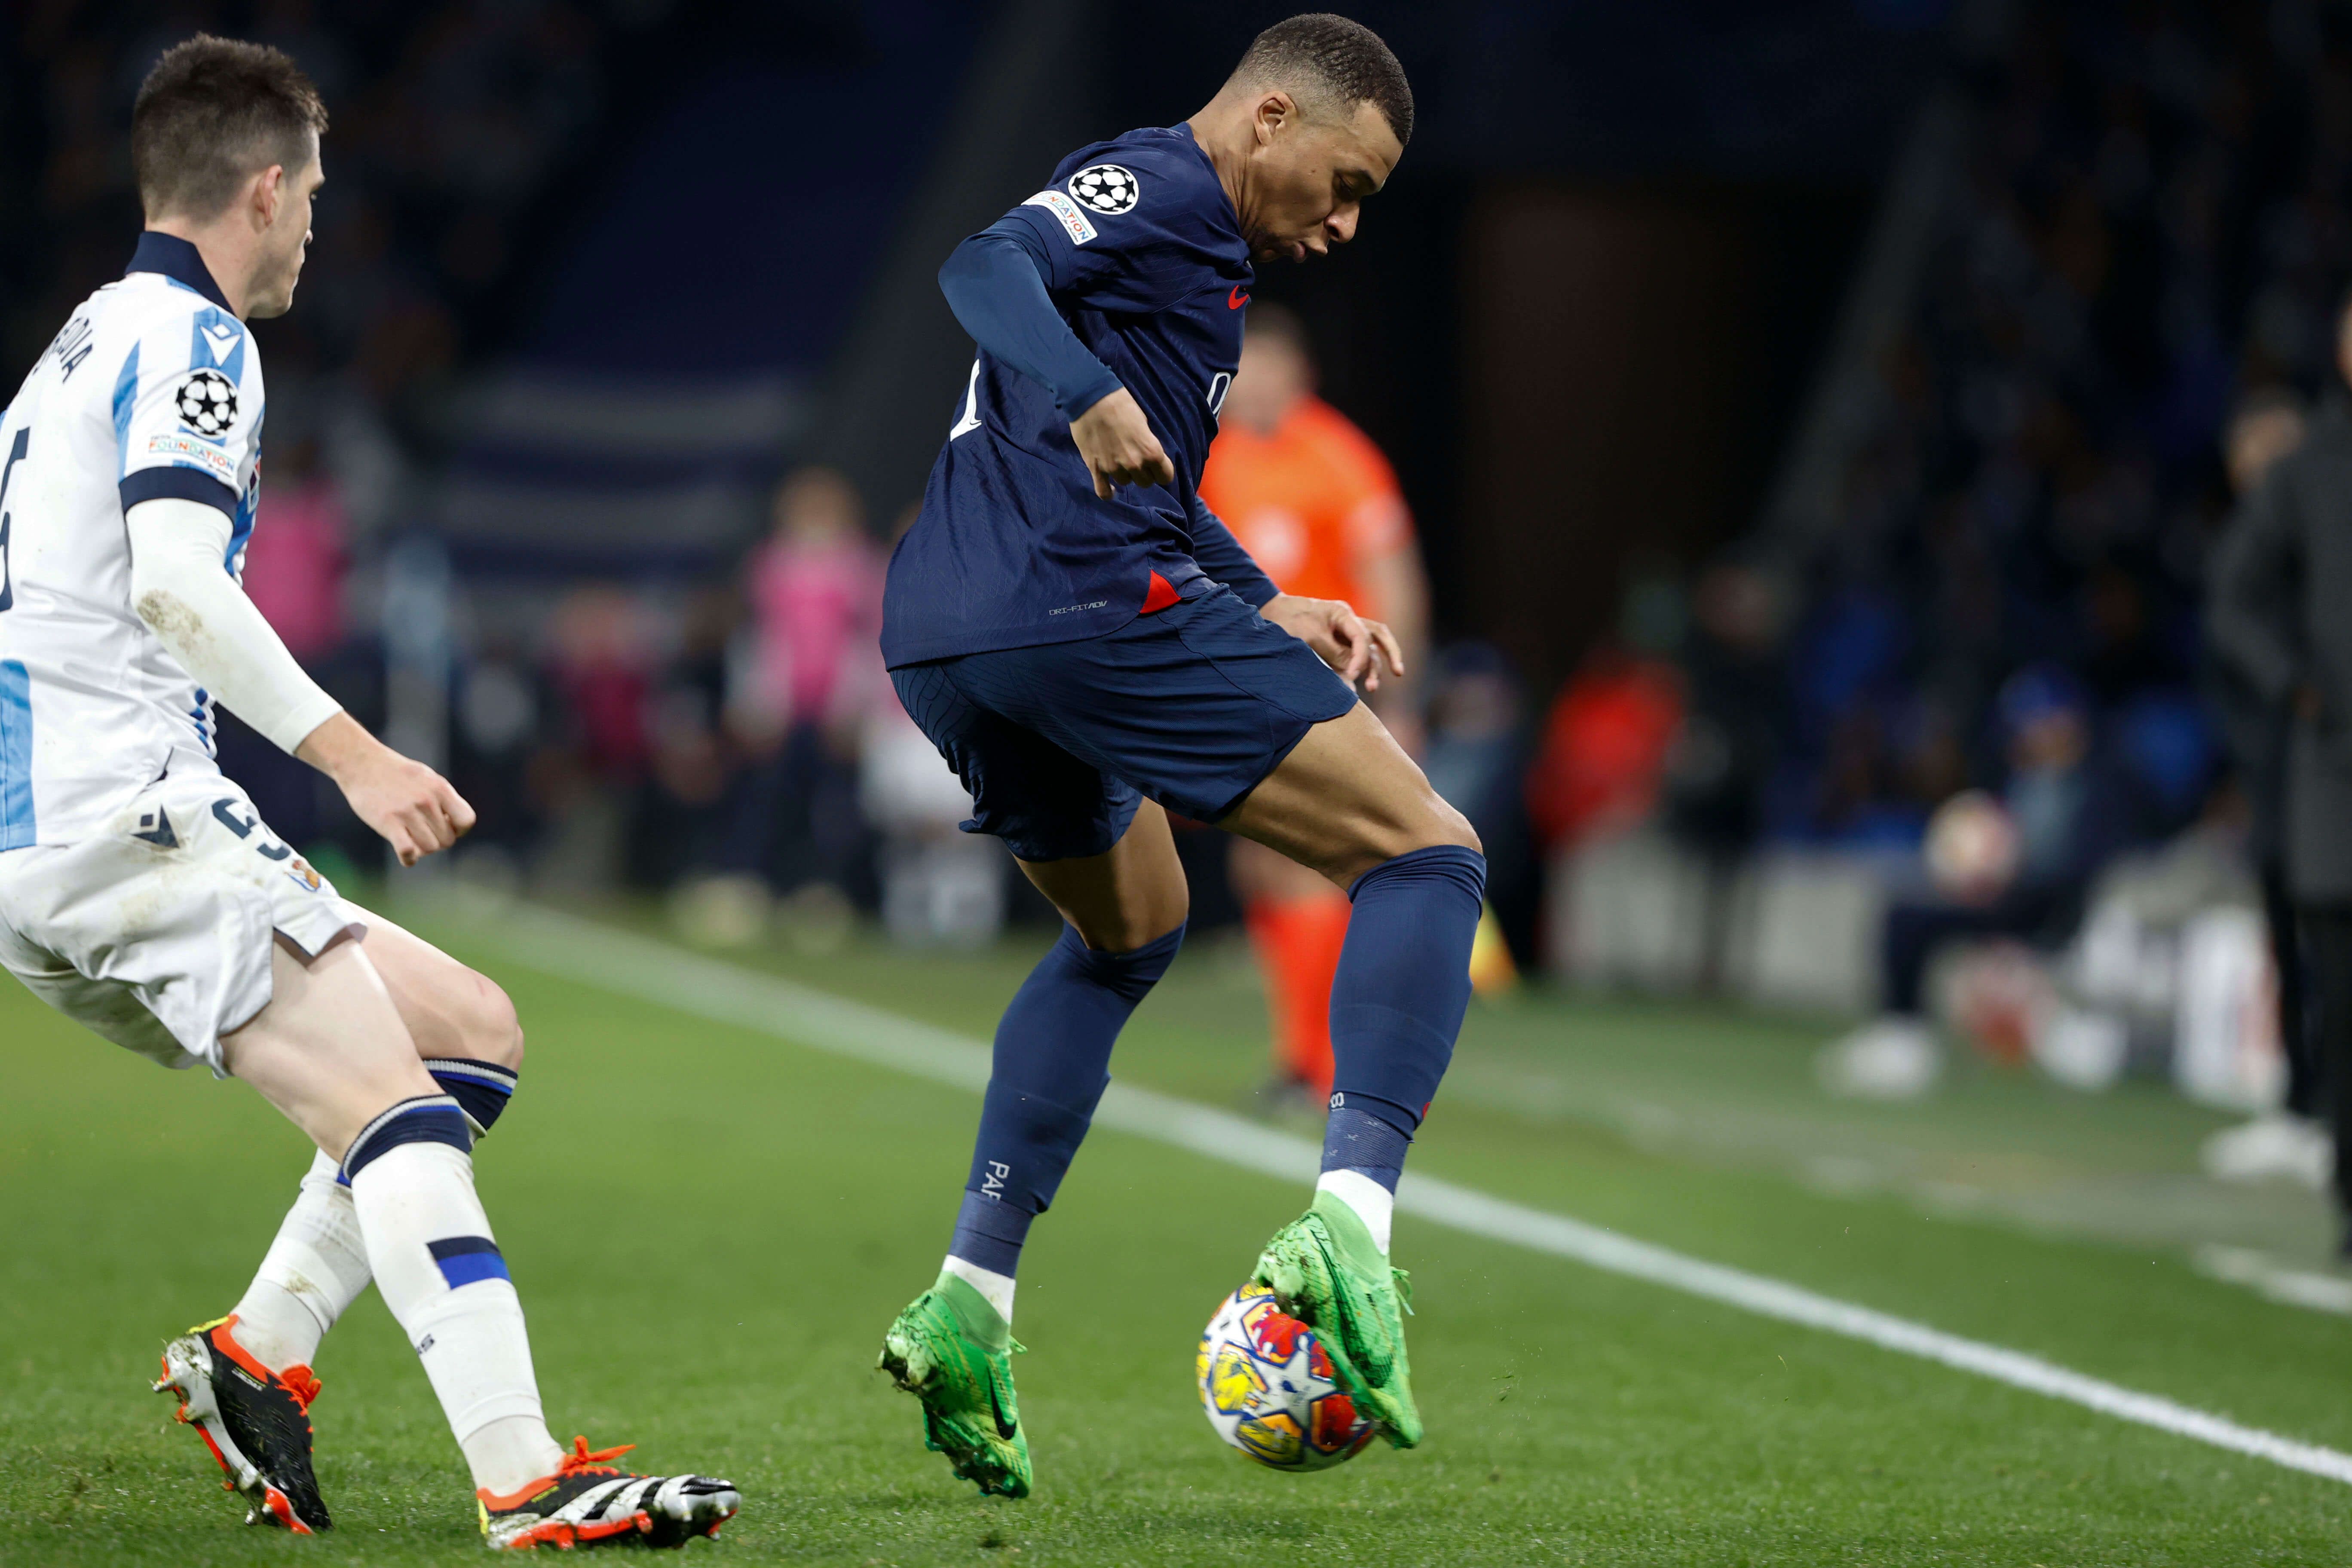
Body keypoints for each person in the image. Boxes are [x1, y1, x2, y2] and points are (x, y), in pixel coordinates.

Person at [0, 38, 736, 1547]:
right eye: (314, 193)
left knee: (470, 1033)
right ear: (263, 189)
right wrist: (360, 753)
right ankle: (527, 1475)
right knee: (395, 1113)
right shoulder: (199, 342)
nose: (320, 223)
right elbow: (176, 584)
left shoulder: (73, 341)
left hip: (55, 827)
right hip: (124, 816)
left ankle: (258, 1352)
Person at [874, 14, 1472, 1499]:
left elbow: (1149, 477)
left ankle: (971, 1294)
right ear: (1271, 117)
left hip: (949, 635)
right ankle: (1348, 1225)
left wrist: (1267, 594)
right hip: (1075, 605)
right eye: (1345, 183)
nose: (1341, 225)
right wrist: (1082, 392)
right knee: (1430, 854)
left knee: (1133, 927)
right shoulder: (1159, 186)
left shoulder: (1193, 279)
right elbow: (979, 264)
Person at [1197, 302, 1427, 1103]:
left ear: (1303, 376)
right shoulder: (1212, 454)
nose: (1258, 383)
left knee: (1304, 870)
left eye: (1273, 367)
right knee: (1262, 869)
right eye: (1245, 366)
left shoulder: (1339, 458)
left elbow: (1393, 575)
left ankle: (1322, 1069)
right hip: (1241, 685)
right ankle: (1302, 1056)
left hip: (1323, 687)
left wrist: (1401, 695)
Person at [2211, 295, 2352, 1248]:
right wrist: (2299, 684)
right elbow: (2237, 601)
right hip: (2337, 779)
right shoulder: (2308, 474)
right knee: (2344, 999)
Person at [2201, 389, 2328, 1185]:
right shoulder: (2255, 547)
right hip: (2280, 769)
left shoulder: (2313, 541)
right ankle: (2301, 1107)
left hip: (2318, 766)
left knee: (2321, 937)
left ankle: (2316, 1112)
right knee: (2293, 936)